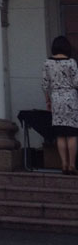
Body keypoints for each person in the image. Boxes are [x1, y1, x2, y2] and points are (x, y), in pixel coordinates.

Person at [42, 35, 78, 175]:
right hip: (70, 98)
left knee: (60, 133)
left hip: (56, 98)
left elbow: (45, 84)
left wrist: (48, 100)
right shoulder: (71, 62)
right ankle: (72, 165)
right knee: (72, 133)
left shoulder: (47, 63)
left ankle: (63, 163)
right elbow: (76, 82)